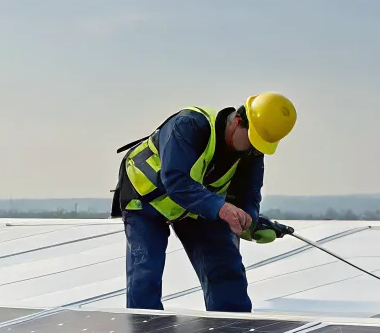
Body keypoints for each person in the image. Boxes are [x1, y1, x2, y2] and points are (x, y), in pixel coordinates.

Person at [114, 93, 297, 312]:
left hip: (198, 205)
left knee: (224, 267)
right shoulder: (189, 125)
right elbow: (176, 181)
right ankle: (145, 330)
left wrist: (249, 220)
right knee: (146, 271)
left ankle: (232, 327)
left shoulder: (252, 151)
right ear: (237, 122)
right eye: (252, 140)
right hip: (145, 199)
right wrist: (221, 209)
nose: (254, 149)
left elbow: (248, 194)